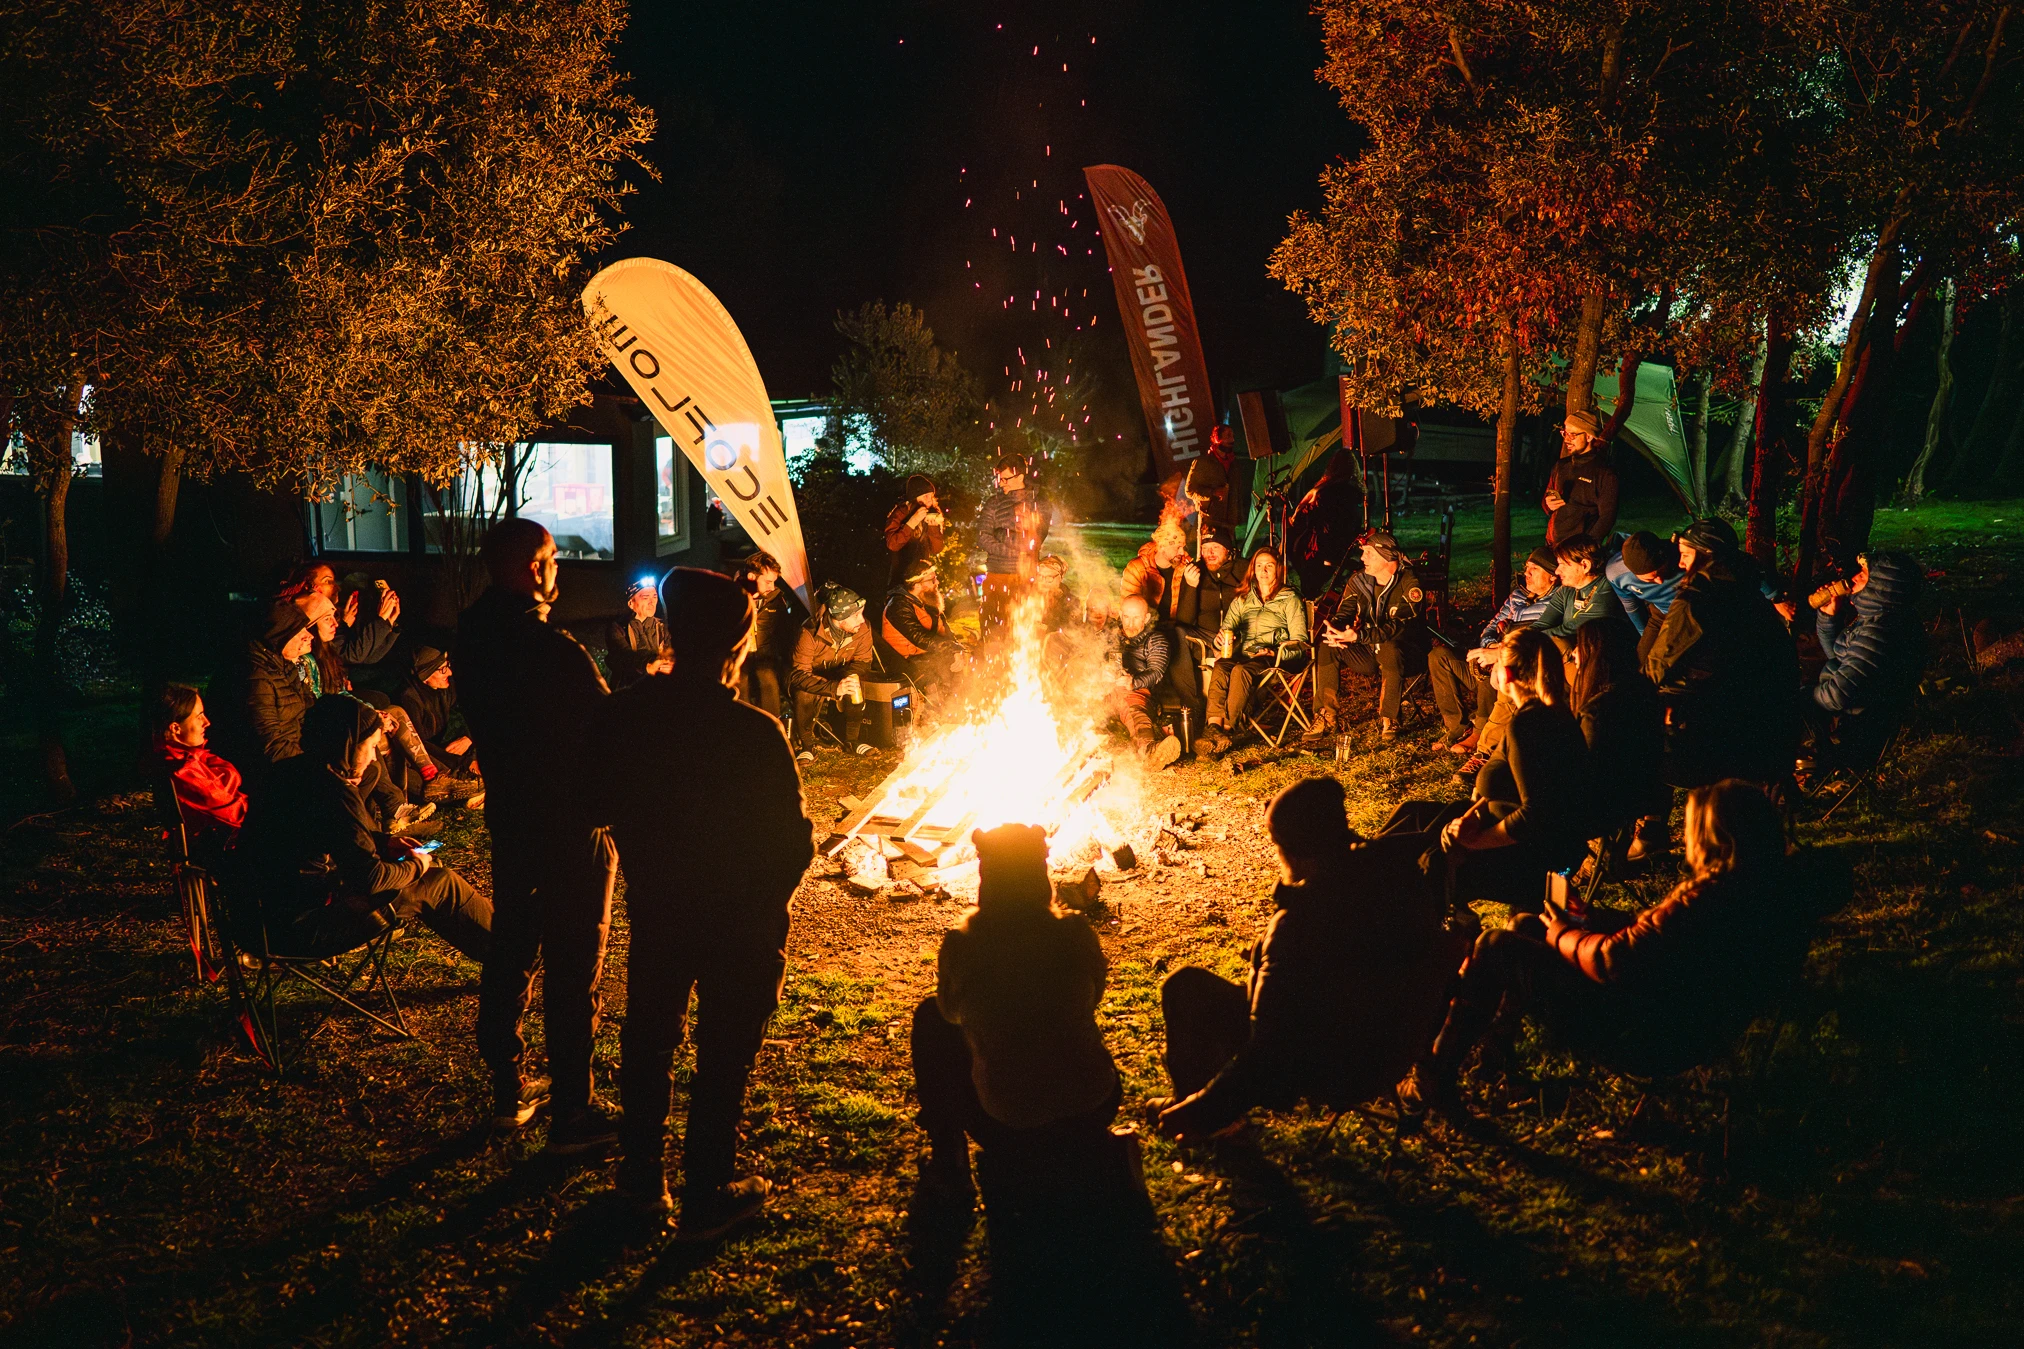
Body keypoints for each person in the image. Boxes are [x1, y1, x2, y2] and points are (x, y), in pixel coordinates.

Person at [585, 567, 816, 1240]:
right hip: (737, 923)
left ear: (674, 633)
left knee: (649, 1040)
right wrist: (767, 907)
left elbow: (591, 803)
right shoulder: (754, 732)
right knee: (722, 1054)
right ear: (738, 648)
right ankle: (707, 1186)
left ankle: (640, 1181)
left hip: (659, 905)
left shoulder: (625, 715)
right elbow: (793, 843)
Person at [1407, 780, 1837, 1110]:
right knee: (1526, 923)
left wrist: (1565, 935)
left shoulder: (1708, 899)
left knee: (1500, 943)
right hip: (1690, 1016)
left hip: (1647, 1033)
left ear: (1713, 838)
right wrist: (1592, 921)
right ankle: (1495, 1049)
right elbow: (1659, 941)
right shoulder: (1765, 893)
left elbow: (1615, 961)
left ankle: (1431, 1076)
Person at [1151, 778, 1461, 1142]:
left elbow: (1268, 1054)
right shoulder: (1400, 879)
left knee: (1185, 987)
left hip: (1331, 1066)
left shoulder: (1298, 926)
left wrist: (1198, 1112)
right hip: (1391, 1050)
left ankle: (1212, 1122)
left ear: (1293, 853)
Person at [455, 519, 620, 1150]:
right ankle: (574, 1114)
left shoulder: (472, 634)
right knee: (575, 963)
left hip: (513, 814)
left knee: (513, 945)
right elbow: (608, 726)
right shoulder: (554, 652)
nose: (559, 570)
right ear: (530, 567)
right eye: (551, 559)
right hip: (571, 822)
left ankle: (508, 1085)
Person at [911, 822, 1120, 1209]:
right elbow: (1096, 997)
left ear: (984, 874)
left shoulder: (963, 943)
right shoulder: (1075, 930)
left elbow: (951, 1012)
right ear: (1040, 872)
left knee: (931, 1020)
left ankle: (950, 1163)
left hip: (1010, 1124)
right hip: (1094, 1105)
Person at [234, 695, 491, 963]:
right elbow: (370, 879)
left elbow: (325, 836)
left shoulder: (289, 772)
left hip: (254, 919)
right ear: (347, 745)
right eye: (369, 747)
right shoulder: (335, 793)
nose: (371, 758)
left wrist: (382, 842)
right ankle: (513, 954)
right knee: (440, 883)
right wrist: (418, 866)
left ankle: (506, 943)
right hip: (301, 928)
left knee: (421, 873)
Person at [1379, 628, 1591, 909]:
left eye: (1497, 664)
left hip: (1529, 854)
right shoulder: (1554, 713)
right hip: (1508, 826)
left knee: (1415, 858)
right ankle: (1358, 863)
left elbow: (1537, 814)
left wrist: (1476, 841)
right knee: (1410, 813)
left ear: (1507, 675)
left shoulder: (1529, 725)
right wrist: (1470, 815)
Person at [1643, 518, 1801, 788]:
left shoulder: (1696, 600)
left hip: (1708, 724)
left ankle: (1650, 819)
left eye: (1685, 555)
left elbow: (1660, 661)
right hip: (1760, 718)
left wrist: (1638, 694)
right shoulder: (1749, 590)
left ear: (1707, 556)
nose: (1680, 564)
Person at [1806, 550, 1926, 773]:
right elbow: (1840, 658)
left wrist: (1804, 696)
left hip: (1858, 736)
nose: (1854, 578)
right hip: (1854, 721)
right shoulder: (1879, 619)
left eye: (1863, 573)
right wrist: (1828, 616)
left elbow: (1838, 695)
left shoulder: (1880, 631)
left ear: (1881, 585)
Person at [1430, 547, 1556, 756]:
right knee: (1439, 657)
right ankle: (1457, 727)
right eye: (1527, 568)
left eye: (1534, 569)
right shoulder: (1517, 596)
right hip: (1493, 653)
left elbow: (1539, 639)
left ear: (1552, 576)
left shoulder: (1555, 603)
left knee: (1498, 667)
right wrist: (1490, 646)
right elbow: (1490, 627)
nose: (1527, 574)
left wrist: (1502, 651)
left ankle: (1480, 732)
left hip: (1517, 666)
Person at [1310, 531, 1428, 743]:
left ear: (1386, 556)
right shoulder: (1360, 581)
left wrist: (1359, 636)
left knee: (1390, 646)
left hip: (1408, 654)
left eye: (1368, 553)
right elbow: (1344, 612)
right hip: (1369, 649)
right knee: (1329, 646)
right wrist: (1336, 630)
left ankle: (1389, 718)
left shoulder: (1410, 583)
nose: (1363, 558)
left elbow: (1398, 627)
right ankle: (1326, 714)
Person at [1570, 619, 1670, 859]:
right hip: (1638, 798)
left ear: (1596, 652)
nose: (1573, 653)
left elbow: (1586, 769)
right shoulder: (1643, 692)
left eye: (1579, 645)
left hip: (1602, 807)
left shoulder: (1599, 710)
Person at [1198, 545, 1306, 757]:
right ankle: (1213, 728)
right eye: (1259, 566)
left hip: (1273, 659)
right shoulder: (1243, 599)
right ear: (1252, 570)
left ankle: (1228, 730)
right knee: (1221, 667)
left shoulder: (1290, 599)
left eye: (1269, 566)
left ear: (1279, 570)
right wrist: (1220, 641)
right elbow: (1227, 629)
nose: (1263, 571)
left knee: (1240, 672)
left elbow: (1300, 643)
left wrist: (1275, 653)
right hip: (1244, 654)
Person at [148, 683, 247, 856]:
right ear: (175, 728)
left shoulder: (191, 757)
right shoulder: (183, 770)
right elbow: (232, 813)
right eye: (199, 716)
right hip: (224, 850)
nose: (207, 722)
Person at [789, 583, 878, 760]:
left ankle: (852, 740)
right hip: (811, 675)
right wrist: (834, 688)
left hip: (838, 671)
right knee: (803, 693)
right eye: (856, 615)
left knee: (855, 684)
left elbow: (864, 661)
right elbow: (798, 674)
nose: (862, 619)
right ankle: (807, 745)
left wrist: (849, 676)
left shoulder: (863, 628)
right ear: (840, 618)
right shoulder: (809, 632)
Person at [276, 560, 402, 681]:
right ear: (309, 586)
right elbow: (353, 655)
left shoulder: (337, 615)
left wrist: (389, 623)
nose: (337, 588)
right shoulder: (306, 619)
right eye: (328, 581)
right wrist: (382, 620)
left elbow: (368, 657)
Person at [397, 648, 484, 805]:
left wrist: (468, 738)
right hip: (430, 755)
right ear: (426, 676)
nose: (449, 673)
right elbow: (419, 745)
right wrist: (463, 762)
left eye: (448, 666)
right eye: (442, 669)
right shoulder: (409, 698)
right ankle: (459, 790)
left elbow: (467, 714)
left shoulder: (446, 687)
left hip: (447, 747)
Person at [977, 452, 1051, 629]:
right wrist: (1015, 551)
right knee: (992, 629)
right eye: (999, 479)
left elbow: (1034, 542)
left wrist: (1001, 533)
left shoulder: (1038, 503)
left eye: (1005, 479)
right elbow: (982, 537)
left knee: (1021, 630)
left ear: (1020, 476)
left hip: (1025, 577)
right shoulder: (993, 503)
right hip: (996, 575)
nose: (1001, 483)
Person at [1109, 596, 1185, 768]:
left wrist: (1133, 682)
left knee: (1135, 711)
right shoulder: (1112, 637)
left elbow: (1156, 671)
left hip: (1138, 694)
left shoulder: (1156, 640)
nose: (1130, 623)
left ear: (1146, 618)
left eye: (1136, 617)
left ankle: (1149, 750)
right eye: (1126, 617)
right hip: (1105, 691)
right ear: (1120, 615)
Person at [882, 556, 967, 702]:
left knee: (964, 661)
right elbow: (919, 637)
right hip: (906, 662)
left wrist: (957, 649)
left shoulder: (926, 600)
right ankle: (935, 712)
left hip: (927, 655)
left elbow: (944, 629)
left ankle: (957, 706)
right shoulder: (898, 606)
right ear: (917, 584)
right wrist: (951, 649)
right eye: (932, 580)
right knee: (940, 668)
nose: (937, 583)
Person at [1542, 408, 1619, 548]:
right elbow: (1547, 499)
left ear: (1589, 437)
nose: (1567, 439)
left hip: (1577, 550)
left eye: (1573, 435)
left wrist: (1585, 547)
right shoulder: (1561, 466)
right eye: (1565, 433)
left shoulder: (1604, 474)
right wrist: (1548, 504)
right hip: (1553, 544)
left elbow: (1607, 518)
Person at [737, 551, 799, 721]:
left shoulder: (775, 598)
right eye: (768, 581)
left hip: (765, 654)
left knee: (768, 680)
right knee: (741, 682)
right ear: (751, 576)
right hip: (739, 656)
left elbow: (785, 630)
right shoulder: (733, 596)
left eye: (774, 582)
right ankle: (743, 729)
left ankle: (772, 729)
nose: (772, 587)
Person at [1531, 535, 1626, 640]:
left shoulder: (1607, 588)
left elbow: (1572, 629)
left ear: (1585, 565)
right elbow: (1542, 624)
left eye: (1562, 564)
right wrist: (1519, 637)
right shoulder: (1567, 589)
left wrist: (1526, 639)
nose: (1557, 571)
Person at [1119, 519, 1190, 626]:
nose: (1182, 552)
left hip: (1175, 628)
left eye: (1183, 547)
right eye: (1178, 547)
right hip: (1144, 628)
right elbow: (1129, 610)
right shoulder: (1137, 568)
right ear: (1161, 546)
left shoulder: (1185, 567)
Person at [606, 576, 673, 688]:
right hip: (628, 687)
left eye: (655, 597)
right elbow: (624, 655)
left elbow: (673, 652)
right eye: (646, 598)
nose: (652, 603)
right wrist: (647, 664)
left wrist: (671, 664)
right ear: (631, 603)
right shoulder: (618, 628)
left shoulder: (663, 627)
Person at [884, 474, 946, 588]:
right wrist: (912, 522)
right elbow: (893, 544)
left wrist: (933, 528)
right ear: (915, 497)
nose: (929, 500)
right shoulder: (901, 513)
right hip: (901, 576)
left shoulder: (932, 513)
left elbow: (937, 549)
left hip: (922, 576)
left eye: (931, 496)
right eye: (925, 496)